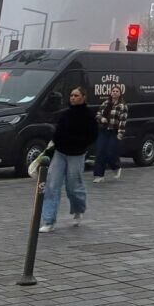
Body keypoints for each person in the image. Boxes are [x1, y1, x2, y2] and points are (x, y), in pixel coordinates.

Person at [40, 86, 98, 232]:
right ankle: (48, 220)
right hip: (60, 152)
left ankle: (78, 209)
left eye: (76, 95)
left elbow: (92, 135)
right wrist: (57, 141)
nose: (72, 98)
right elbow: (57, 131)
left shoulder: (88, 115)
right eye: (71, 95)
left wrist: (79, 143)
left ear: (83, 97)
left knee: (73, 186)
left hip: (76, 154)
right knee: (52, 185)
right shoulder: (65, 114)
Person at [93, 84, 127, 183]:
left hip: (114, 131)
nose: (114, 93)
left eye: (117, 91)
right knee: (100, 152)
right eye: (113, 91)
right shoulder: (106, 103)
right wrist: (101, 118)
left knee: (110, 152)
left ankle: (116, 167)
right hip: (104, 130)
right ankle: (99, 175)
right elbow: (98, 114)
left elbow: (122, 120)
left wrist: (120, 133)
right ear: (110, 93)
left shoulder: (122, 106)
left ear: (120, 93)